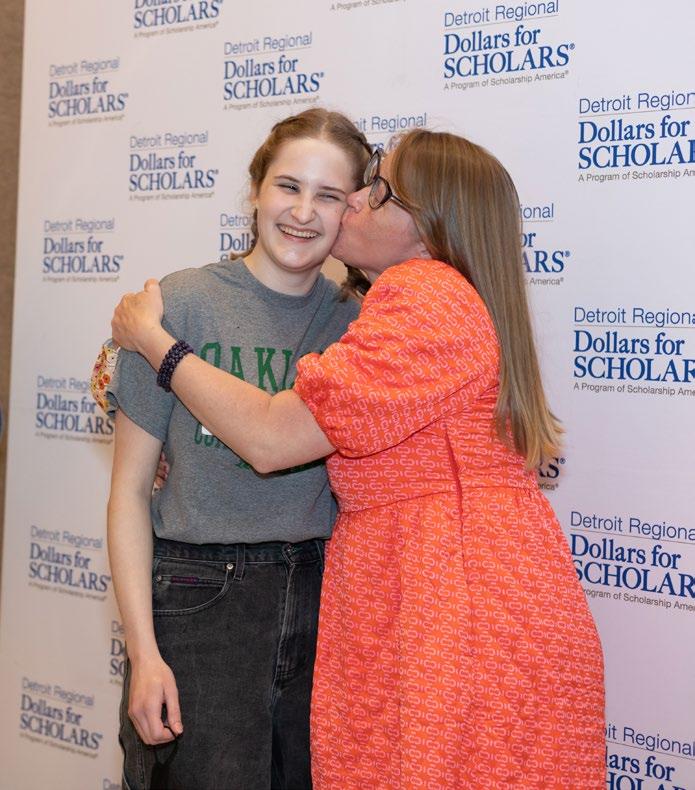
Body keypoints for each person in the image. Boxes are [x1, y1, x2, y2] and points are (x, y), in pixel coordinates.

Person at [110, 129, 606, 788]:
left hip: (453, 606)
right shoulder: (403, 304)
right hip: (445, 593)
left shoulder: (420, 297)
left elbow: (271, 438)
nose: (352, 203)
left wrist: (156, 344)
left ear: (427, 227)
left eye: (376, 190)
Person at [101, 108, 371, 790]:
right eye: (288, 186)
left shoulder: (359, 323)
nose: (303, 213)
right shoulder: (176, 305)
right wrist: (144, 654)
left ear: (352, 211)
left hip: (325, 599)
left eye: (328, 195)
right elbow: (129, 493)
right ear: (254, 190)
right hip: (197, 601)